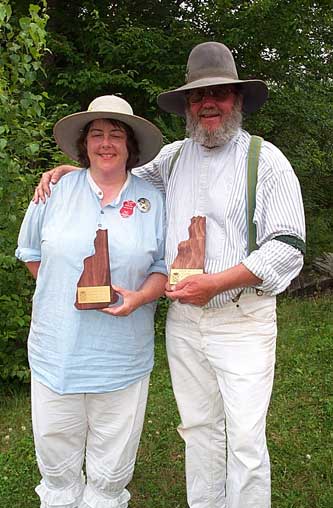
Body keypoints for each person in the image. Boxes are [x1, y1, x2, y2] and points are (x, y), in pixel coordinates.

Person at [34, 42, 306, 508]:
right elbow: (118, 175)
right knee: (198, 429)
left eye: (219, 94)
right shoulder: (174, 159)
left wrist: (218, 282)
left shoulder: (267, 161)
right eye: (198, 97)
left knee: (243, 438)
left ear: (237, 100)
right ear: (187, 107)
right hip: (185, 323)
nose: (208, 105)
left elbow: (288, 247)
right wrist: (69, 172)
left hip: (241, 319)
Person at [16, 95, 168, 508]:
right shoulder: (55, 191)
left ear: (130, 145)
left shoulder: (152, 200)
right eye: (97, 134)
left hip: (122, 358)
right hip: (56, 355)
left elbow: (164, 265)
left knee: (108, 476)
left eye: (115, 134)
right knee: (58, 473)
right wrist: (64, 292)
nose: (106, 143)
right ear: (84, 143)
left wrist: (139, 297)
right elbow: (30, 253)